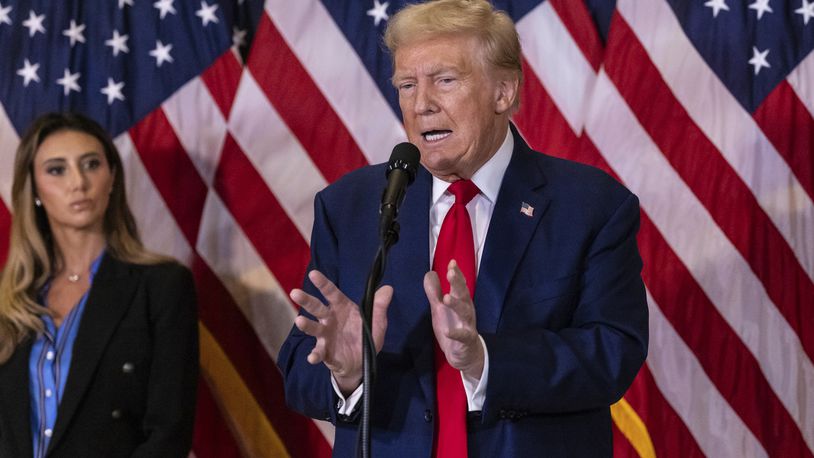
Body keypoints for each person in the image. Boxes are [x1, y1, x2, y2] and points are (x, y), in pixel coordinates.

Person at [278, 0, 648, 456]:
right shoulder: (350, 206)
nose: (422, 105)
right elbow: (297, 370)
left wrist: (485, 361)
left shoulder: (590, 206)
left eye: (445, 81)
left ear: (503, 92)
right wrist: (348, 374)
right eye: (407, 85)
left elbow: (614, 352)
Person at [0, 112, 199, 458]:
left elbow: (168, 432)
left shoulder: (161, 286)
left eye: (91, 164)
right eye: (57, 169)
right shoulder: (9, 299)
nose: (78, 182)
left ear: (112, 178)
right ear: (33, 188)